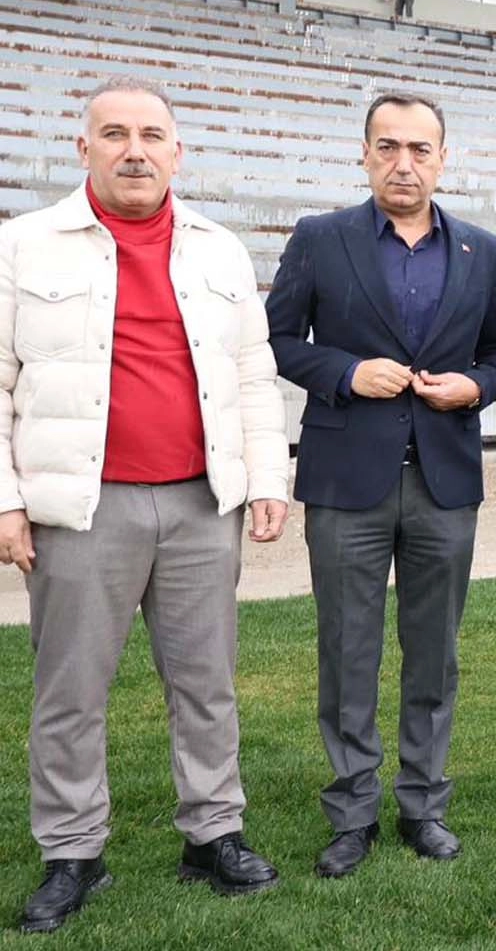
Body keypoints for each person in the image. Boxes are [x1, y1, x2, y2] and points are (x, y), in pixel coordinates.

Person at [1, 78, 289, 934]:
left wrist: (267, 480)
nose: (136, 149)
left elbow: (250, 374)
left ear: (177, 151)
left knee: (205, 684)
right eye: (116, 133)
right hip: (83, 510)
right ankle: (73, 852)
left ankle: (213, 833)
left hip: (203, 505)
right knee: (70, 689)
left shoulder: (218, 249)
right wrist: (6, 501)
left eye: (152, 134)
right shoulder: (24, 245)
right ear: (82, 146)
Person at [264, 92, 496, 877]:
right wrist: (343, 371)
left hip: (444, 481)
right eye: (388, 147)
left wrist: (473, 388)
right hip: (347, 482)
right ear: (364, 153)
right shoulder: (321, 238)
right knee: (348, 650)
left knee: (433, 655)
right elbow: (273, 338)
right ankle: (351, 813)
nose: (404, 163)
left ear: (443, 158)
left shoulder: (480, 248)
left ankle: (423, 806)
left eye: (420, 149)